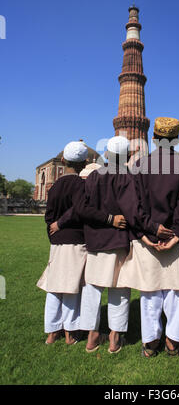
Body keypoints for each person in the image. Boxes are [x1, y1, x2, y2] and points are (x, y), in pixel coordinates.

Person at [75, 136, 173, 354]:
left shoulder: (92, 177)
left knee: (92, 287)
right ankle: (114, 337)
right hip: (118, 241)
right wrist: (151, 227)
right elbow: (132, 212)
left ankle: (91, 336)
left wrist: (104, 219)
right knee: (119, 288)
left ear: (107, 155)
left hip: (94, 241)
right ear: (128, 156)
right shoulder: (126, 177)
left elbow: (82, 209)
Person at [118, 117, 179, 357]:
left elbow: (133, 205)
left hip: (148, 239)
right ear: (176, 140)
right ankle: (173, 342)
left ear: (153, 138)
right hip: (176, 238)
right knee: (177, 292)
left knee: (150, 292)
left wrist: (147, 232)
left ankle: (151, 343)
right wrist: (176, 235)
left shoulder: (139, 166)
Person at [36, 140, 89, 345]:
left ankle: (52, 331)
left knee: (55, 286)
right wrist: (62, 223)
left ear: (64, 160)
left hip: (57, 242)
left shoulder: (56, 185)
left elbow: (48, 216)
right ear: (85, 163)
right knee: (71, 287)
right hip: (75, 241)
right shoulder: (80, 185)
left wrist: (54, 231)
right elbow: (79, 209)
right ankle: (70, 331)